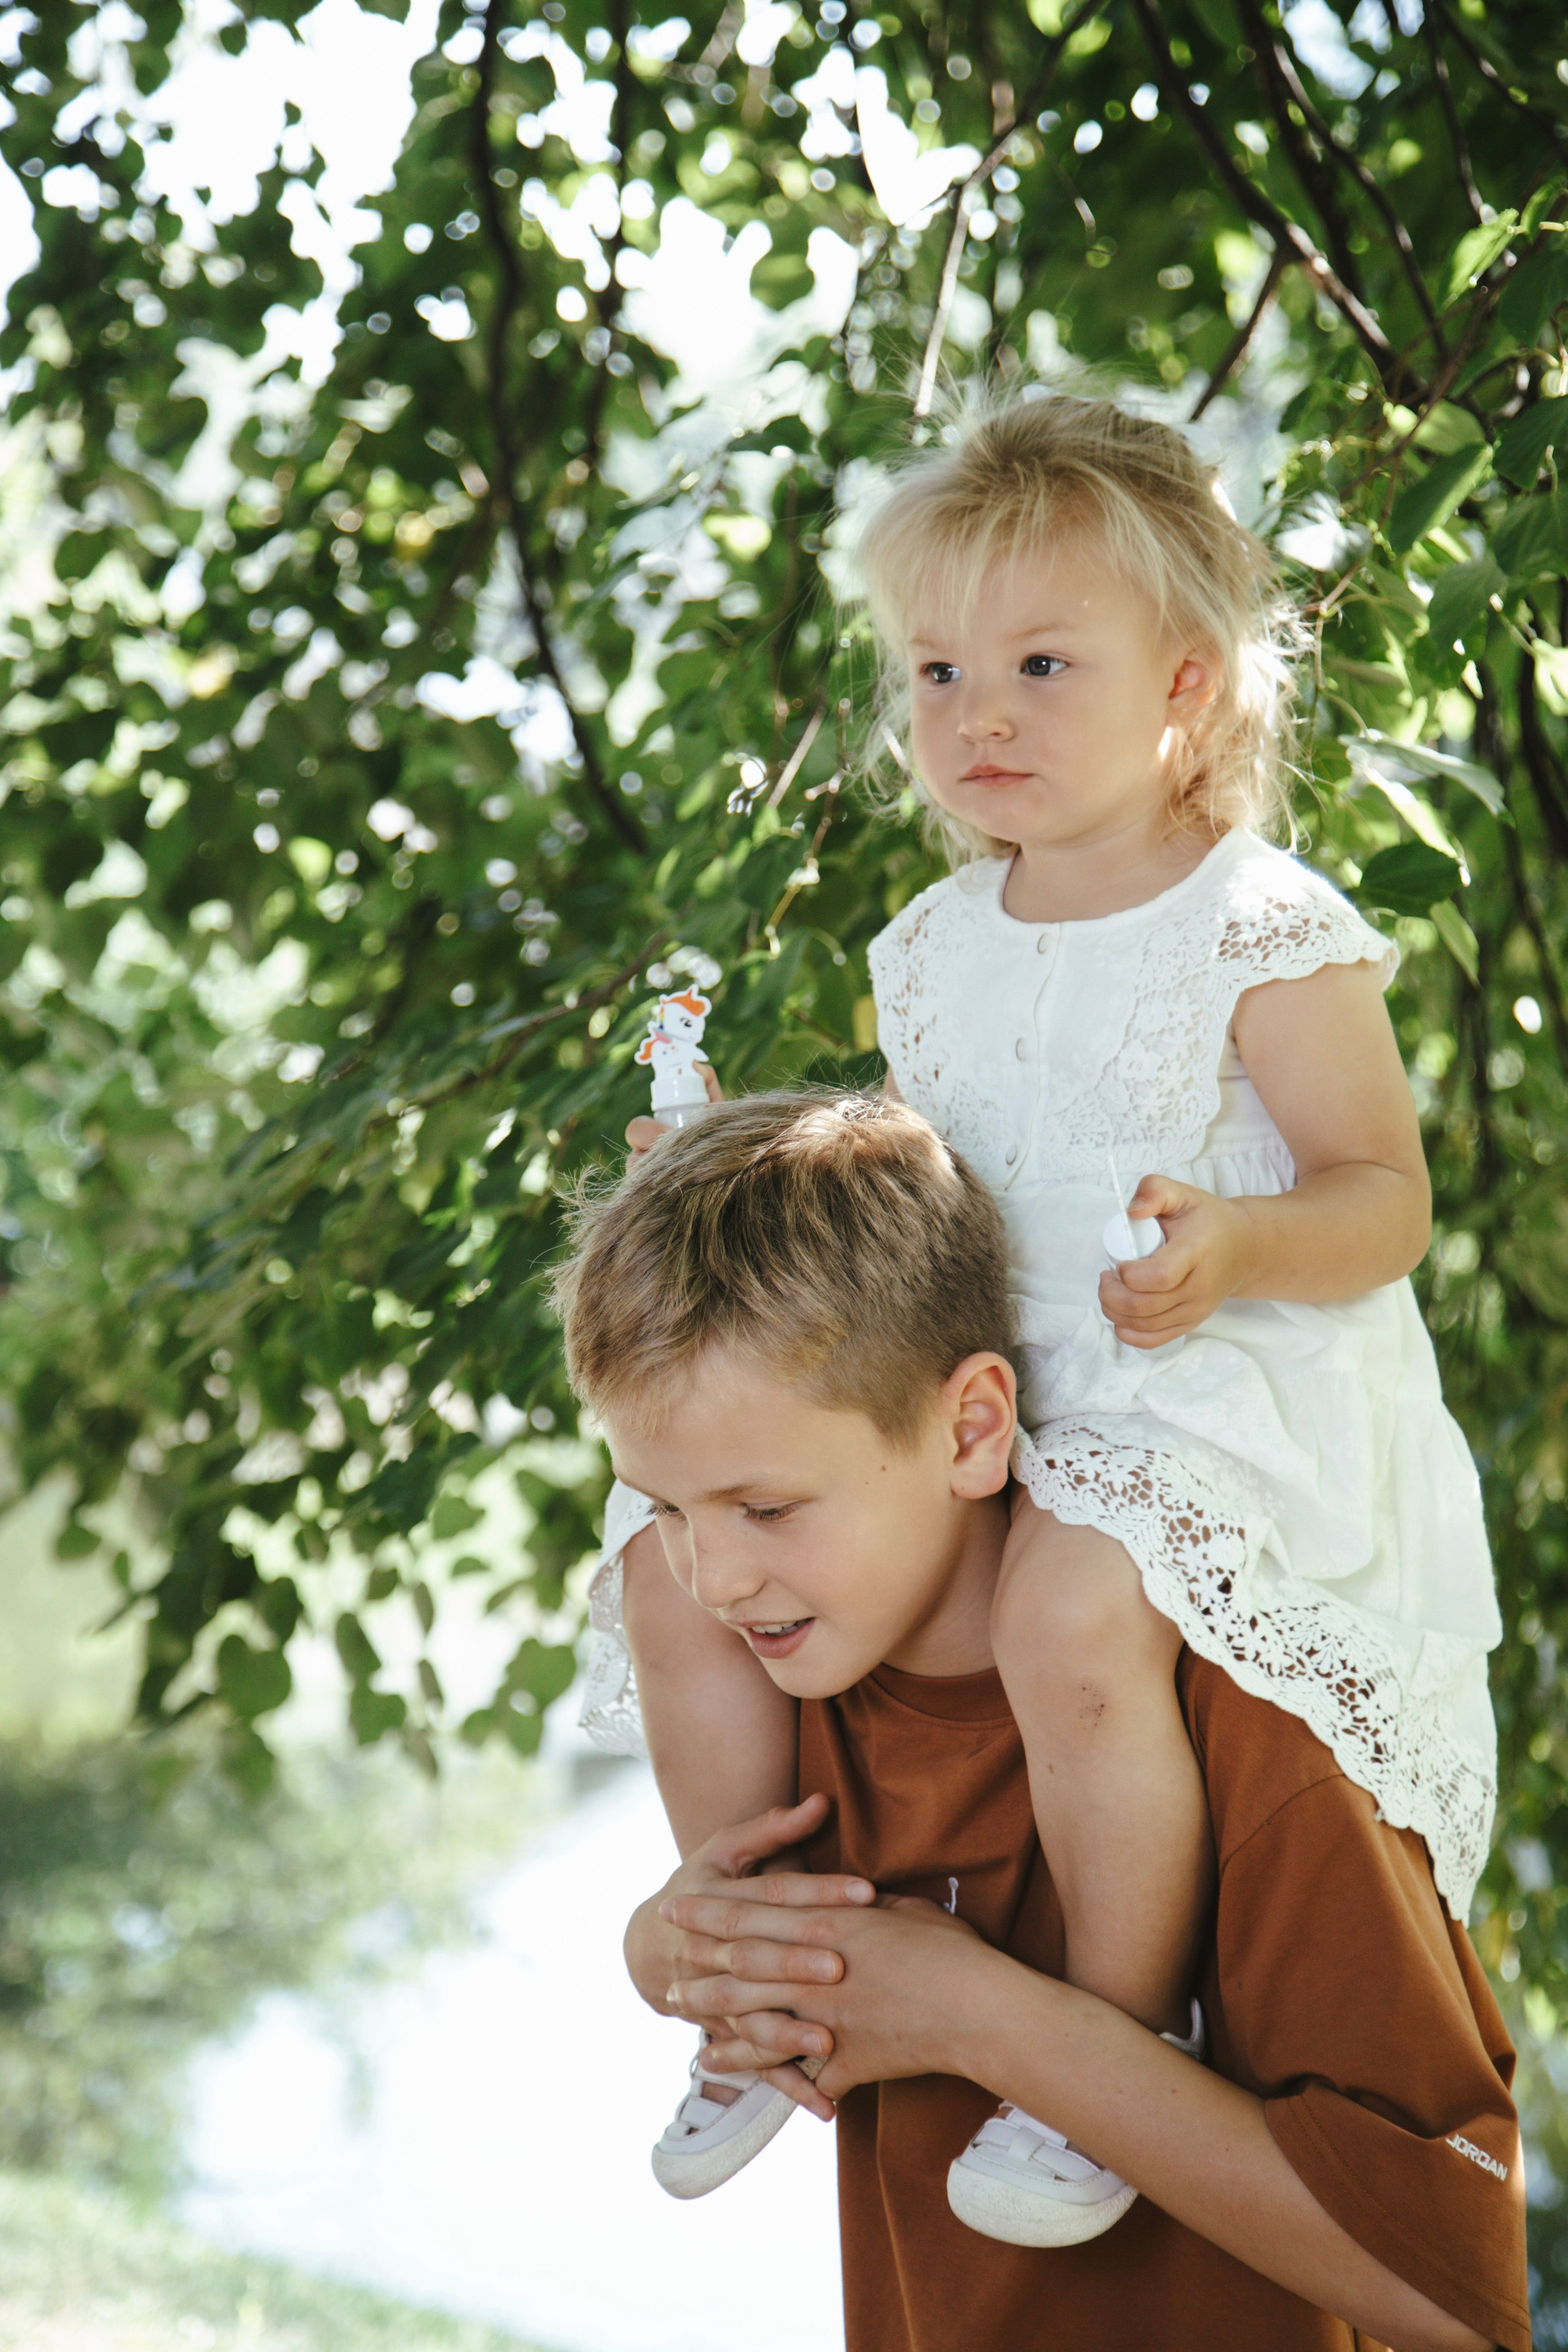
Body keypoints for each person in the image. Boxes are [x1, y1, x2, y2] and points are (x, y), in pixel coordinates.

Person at [582, 390, 1502, 2241]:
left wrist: (1238, 1246)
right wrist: (729, 1154)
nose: (973, 714)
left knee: (1077, 1601)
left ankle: (1108, 2028)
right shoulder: (934, 940)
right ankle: (758, 1972)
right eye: (933, 671)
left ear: (1185, 683)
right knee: (660, 1571)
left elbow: (1384, 1200)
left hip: (1213, 1376)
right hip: (1004, 1366)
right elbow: (948, 1177)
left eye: (1038, 664)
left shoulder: (1259, 923)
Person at [556, 1091, 1527, 2352]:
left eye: (768, 1510)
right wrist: (667, 1950)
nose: (714, 1580)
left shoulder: (1242, 1722)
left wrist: (977, 2014)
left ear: (970, 1427)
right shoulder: (787, 1709)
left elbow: (1457, 2295)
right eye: (668, 1513)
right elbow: (751, 1969)